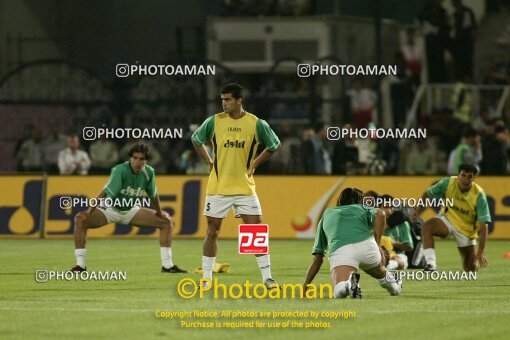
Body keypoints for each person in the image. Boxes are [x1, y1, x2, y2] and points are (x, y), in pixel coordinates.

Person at [191, 83, 281, 288]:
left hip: (244, 188)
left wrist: (255, 163)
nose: (224, 103)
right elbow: (196, 140)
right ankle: (206, 278)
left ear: (239, 101)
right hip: (218, 187)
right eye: (222, 99)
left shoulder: (256, 124)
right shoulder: (214, 121)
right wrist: (209, 162)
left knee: (255, 232)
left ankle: (267, 278)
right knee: (212, 230)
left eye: (228, 99)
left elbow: (274, 145)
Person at [71, 143, 187, 273]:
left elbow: (153, 195)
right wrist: (89, 212)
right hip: (109, 209)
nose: (137, 162)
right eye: (135, 158)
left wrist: (160, 213)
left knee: (166, 221)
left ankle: (167, 266)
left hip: (130, 210)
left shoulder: (149, 172)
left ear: (146, 161)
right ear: (130, 158)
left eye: (141, 159)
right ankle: (80, 266)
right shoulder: (120, 170)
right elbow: (104, 192)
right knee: (80, 219)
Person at [303, 188, 402, 299]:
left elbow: (318, 257)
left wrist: (305, 285)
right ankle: (395, 286)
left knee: (338, 288)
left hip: (342, 250)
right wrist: (377, 244)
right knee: (380, 272)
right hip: (367, 246)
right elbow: (381, 214)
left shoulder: (327, 213)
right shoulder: (363, 208)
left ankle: (347, 285)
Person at [412, 164, 491, 272]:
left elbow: (484, 225)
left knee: (471, 269)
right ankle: (431, 264)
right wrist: (418, 211)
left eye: (469, 176)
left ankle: (471, 264)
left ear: (473, 178)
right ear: (458, 175)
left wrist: (481, 251)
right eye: (463, 175)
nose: (465, 179)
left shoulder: (479, 195)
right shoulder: (448, 182)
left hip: (466, 230)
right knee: (428, 226)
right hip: (447, 219)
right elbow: (428, 194)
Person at [380, 195, 414, 270]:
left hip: (397, 255)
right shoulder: (372, 223)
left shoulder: (403, 224)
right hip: (377, 254)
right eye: (385, 207)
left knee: (401, 261)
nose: (389, 210)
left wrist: (392, 242)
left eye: (391, 207)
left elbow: (409, 247)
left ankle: (389, 265)